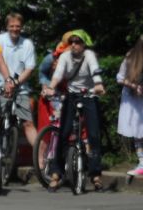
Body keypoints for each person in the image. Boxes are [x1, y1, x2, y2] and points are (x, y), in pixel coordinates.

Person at [45, 29, 105, 190]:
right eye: (71, 42)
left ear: (84, 44)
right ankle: (56, 173)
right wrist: (51, 87)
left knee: (93, 135)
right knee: (63, 133)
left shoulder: (89, 55)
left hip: (89, 95)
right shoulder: (65, 56)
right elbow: (58, 74)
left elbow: (95, 70)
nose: (74, 45)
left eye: (77, 42)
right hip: (72, 95)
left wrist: (98, 84)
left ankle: (95, 174)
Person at [0, 13, 39, 163]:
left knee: (28, 122)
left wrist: (15, 83)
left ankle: (42, 160)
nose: (15, 29)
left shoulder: (27, 44)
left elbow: (29, 68)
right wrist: (3, 83)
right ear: (7, 26)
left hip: (20, 88)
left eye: (18, 26)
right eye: (12, 26)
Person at [116, 36, 143, 177]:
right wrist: (133, 85)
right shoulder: (130, 59)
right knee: (138, 131)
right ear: (140, 49)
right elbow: (120, 77)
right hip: (133, 98)